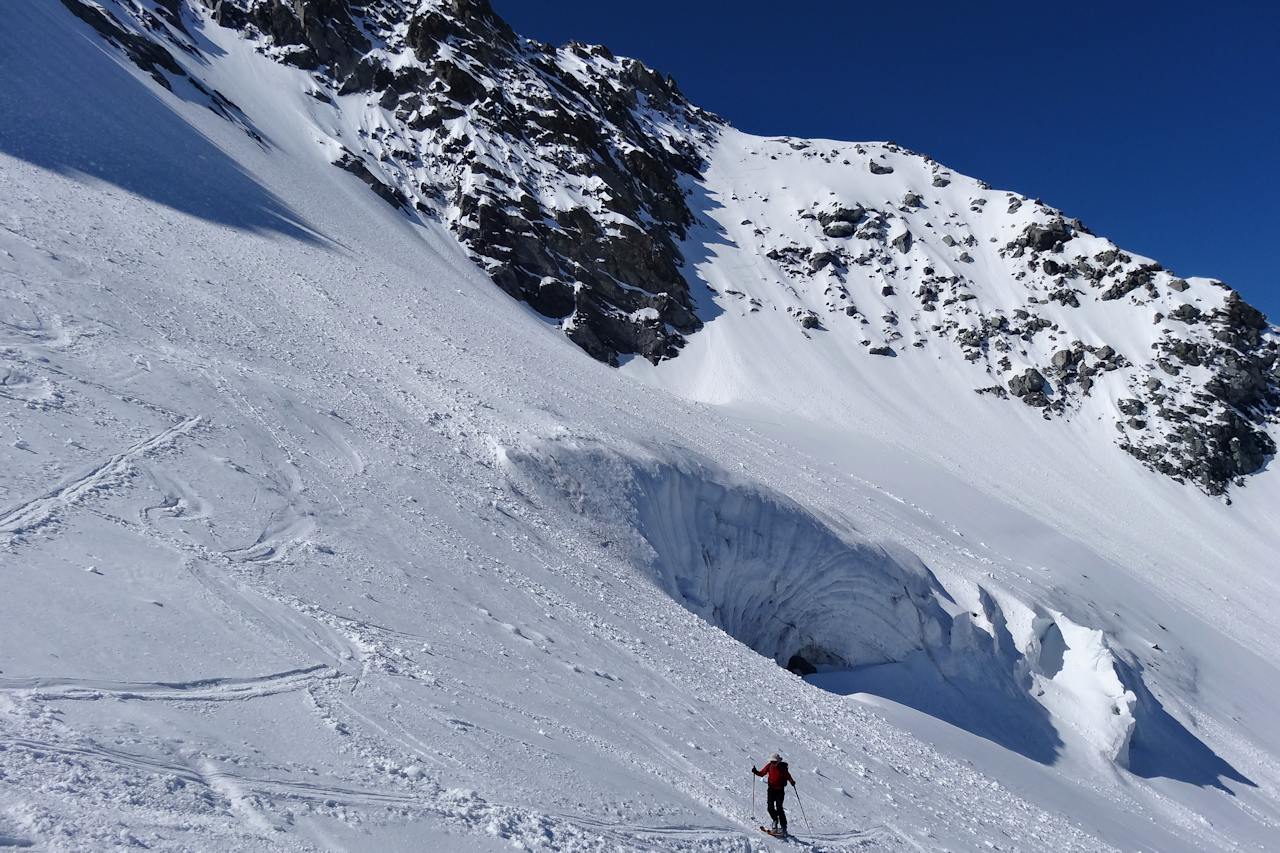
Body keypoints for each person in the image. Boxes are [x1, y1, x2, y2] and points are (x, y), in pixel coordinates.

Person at [752, 752, 795, 834]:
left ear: (778, 761)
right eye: (772, 761)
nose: (773, 763)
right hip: (771, 790)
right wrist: (755, 771)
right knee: (770, 808)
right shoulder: (769, 766)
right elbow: (762, 773)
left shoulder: (782, 768)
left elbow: (788, 775)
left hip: (780, 791)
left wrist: (792, 781)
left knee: (779, 808)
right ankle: (775, 820)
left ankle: (783, 826)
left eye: (774, 762)